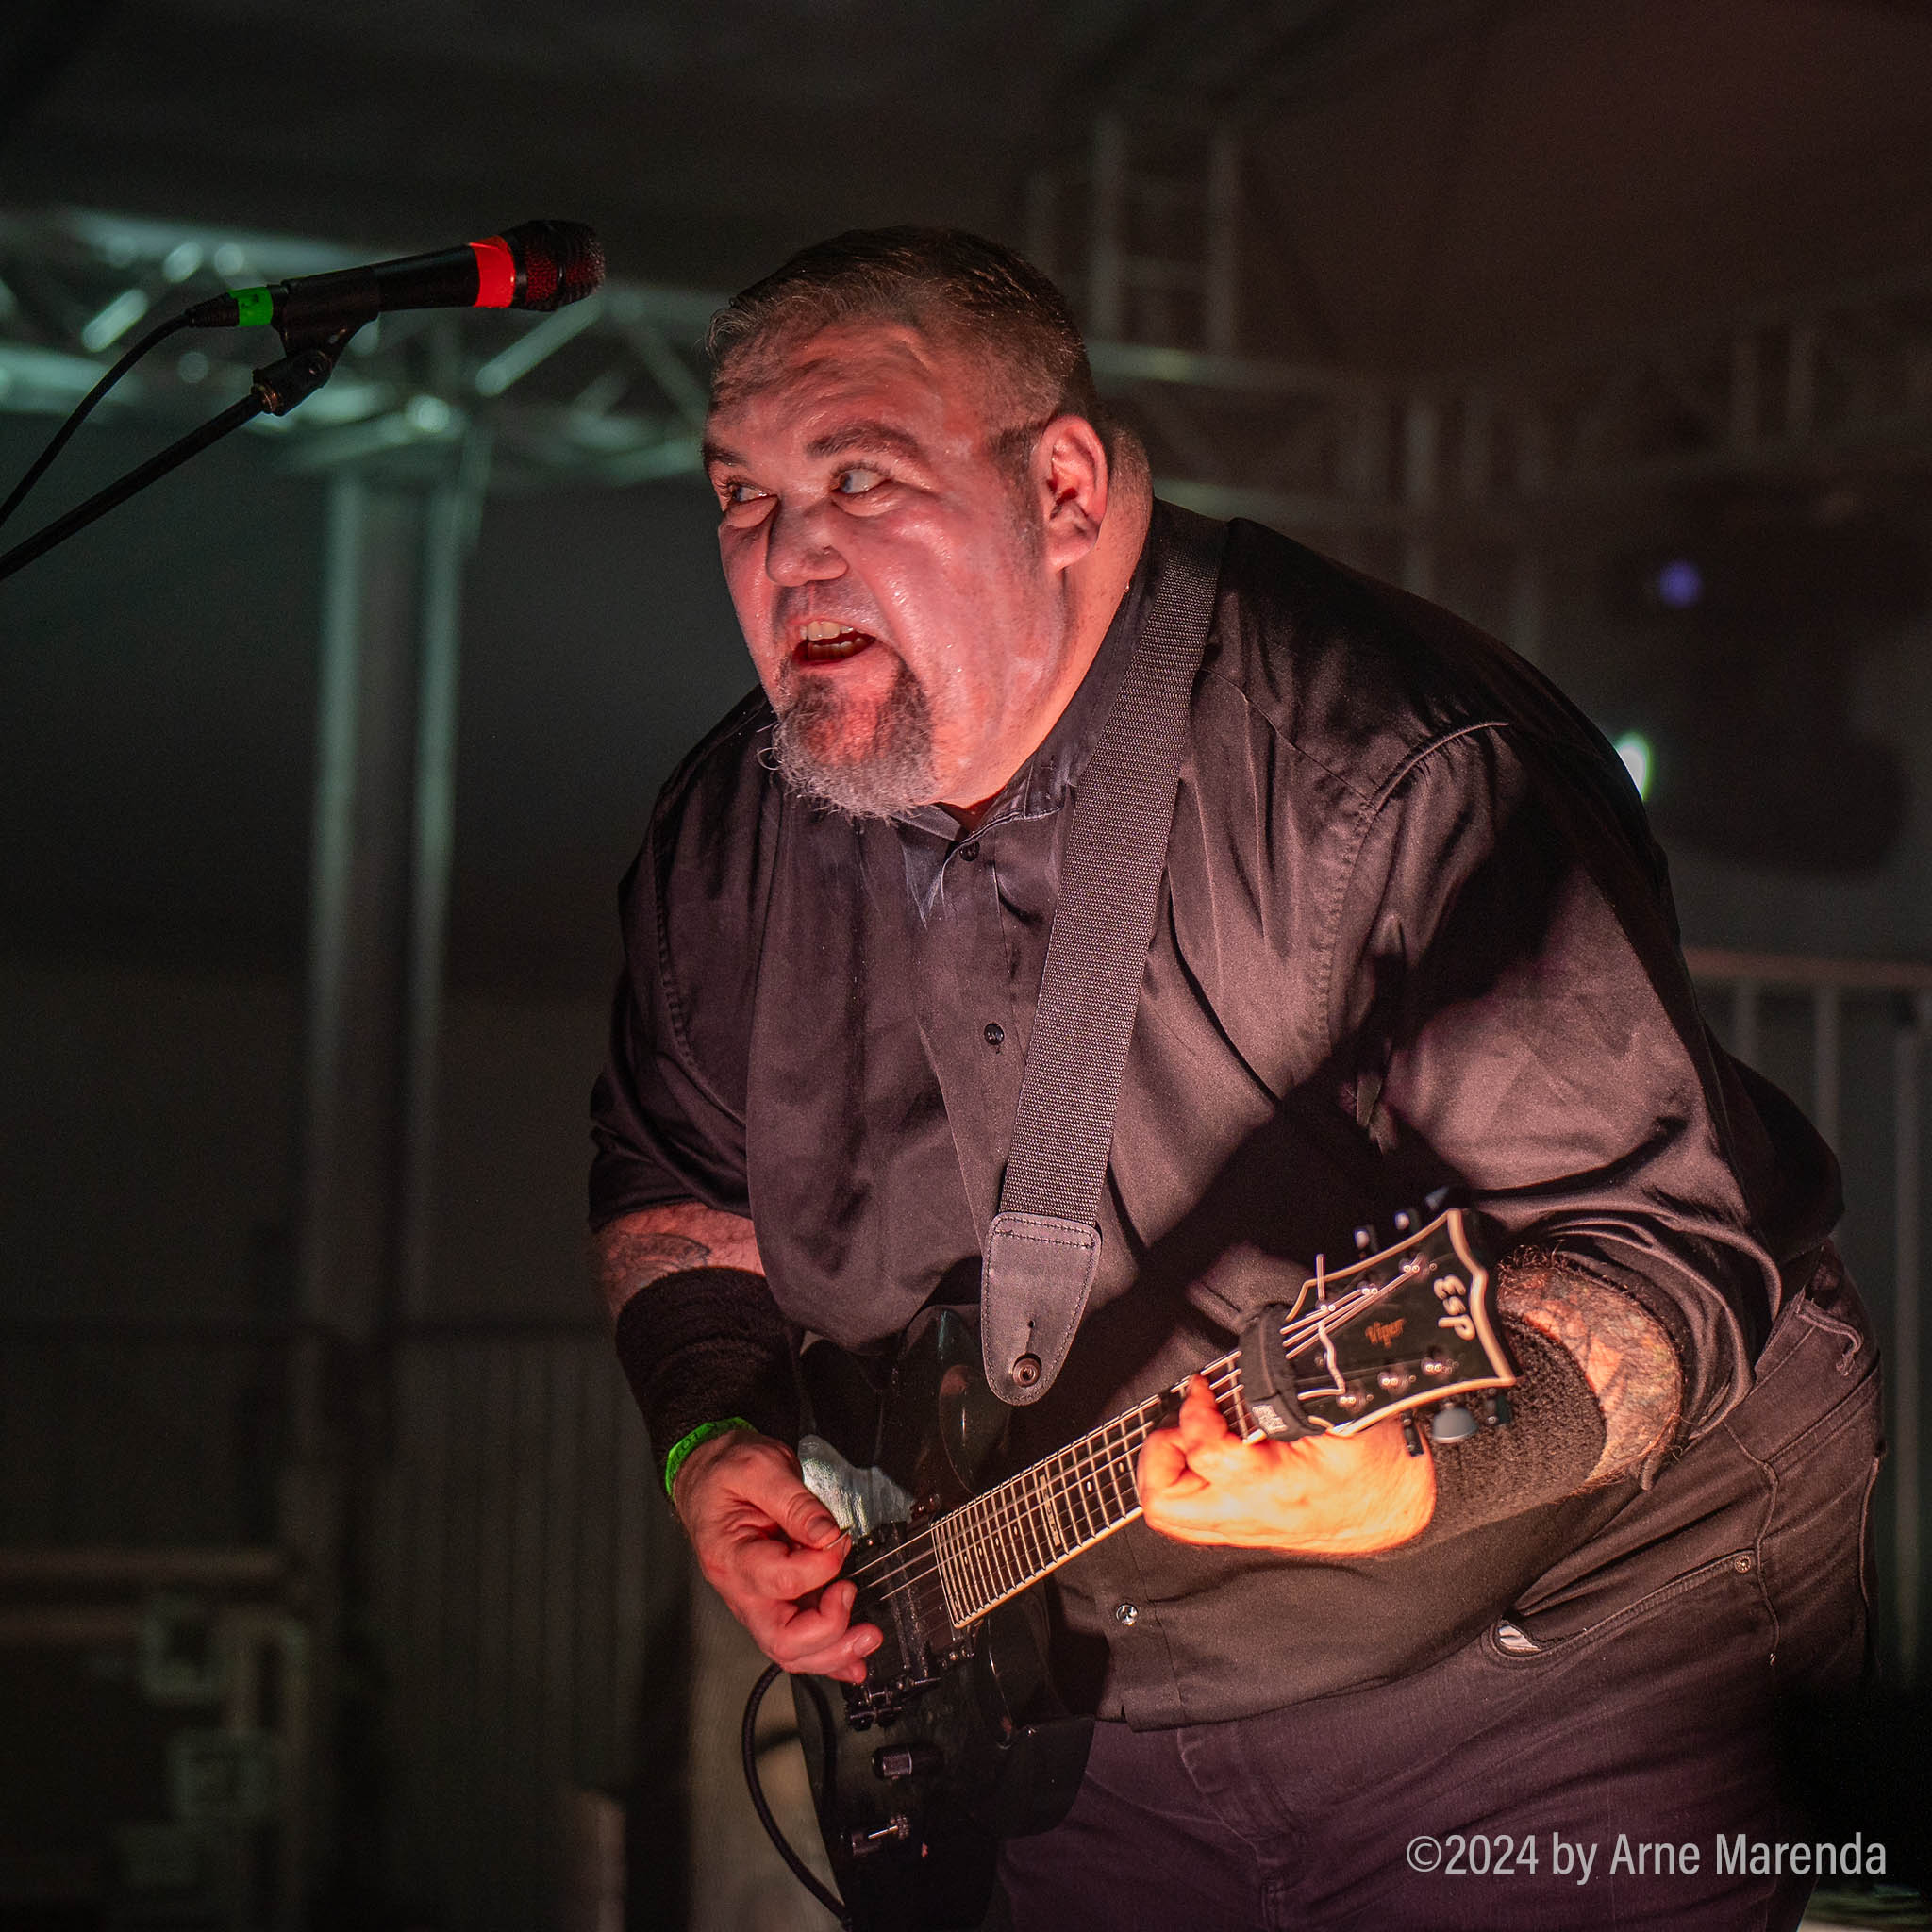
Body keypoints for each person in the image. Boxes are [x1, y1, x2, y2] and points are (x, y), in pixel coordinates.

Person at [589, 229, 1879, 1930]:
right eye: (743, 497)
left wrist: (1427, 1475)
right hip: (1090, 1693)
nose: (788, 555)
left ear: (1062, 488)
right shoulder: (727, 837)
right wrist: (709, 1434)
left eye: (861, 479)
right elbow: (679, 1188)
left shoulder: (1388, 762)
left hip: (1568, 1649)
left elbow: (1656, 1258)